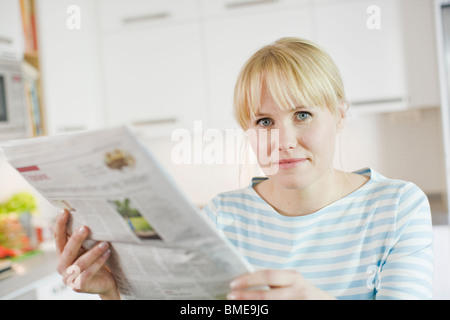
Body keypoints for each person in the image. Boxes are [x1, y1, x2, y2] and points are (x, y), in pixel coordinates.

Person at [54, 37, 433, 300]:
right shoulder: (223, 215)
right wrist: (111, 291)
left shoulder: (398, 207)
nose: (282, 140)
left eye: (302, 114)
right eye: (264, 122)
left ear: (339, 115)